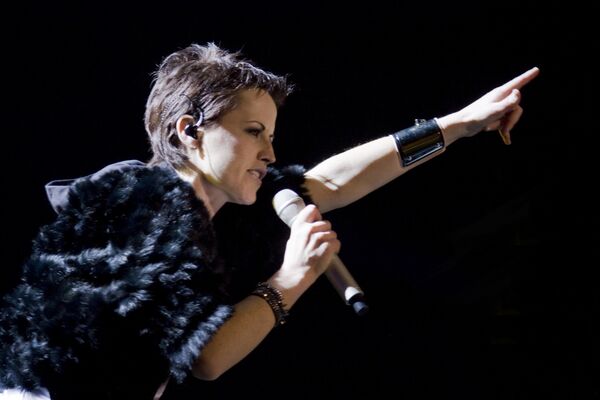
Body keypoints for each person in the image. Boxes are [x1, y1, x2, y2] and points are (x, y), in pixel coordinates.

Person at [0, 42, 539, 399]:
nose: (270, 152)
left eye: (272, 135)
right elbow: (207, 357)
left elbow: (335, 181)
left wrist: (458, 124)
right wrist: (293, 276)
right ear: (190, 130)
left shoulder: (223, 215)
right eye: (254, 132)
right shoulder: (132, 198)